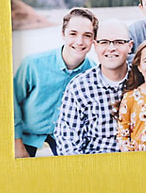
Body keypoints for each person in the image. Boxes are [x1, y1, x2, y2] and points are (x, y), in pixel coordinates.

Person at [12, 7, 98, 158]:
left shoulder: (93, 73)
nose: (79, 41)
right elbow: (12, 103)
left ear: (93, 40)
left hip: (64, 137)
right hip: (26, 134)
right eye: (73, 34)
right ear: (63, 34)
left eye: (87, 35)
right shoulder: (33, 64)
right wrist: (17, 144)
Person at [54, 20, 132, 155]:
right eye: (104, 42)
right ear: (95, 46)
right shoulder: (79, 86)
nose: (111, 48)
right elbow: (67, 139)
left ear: (130, 46)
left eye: (119, 42)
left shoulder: (143, 81)